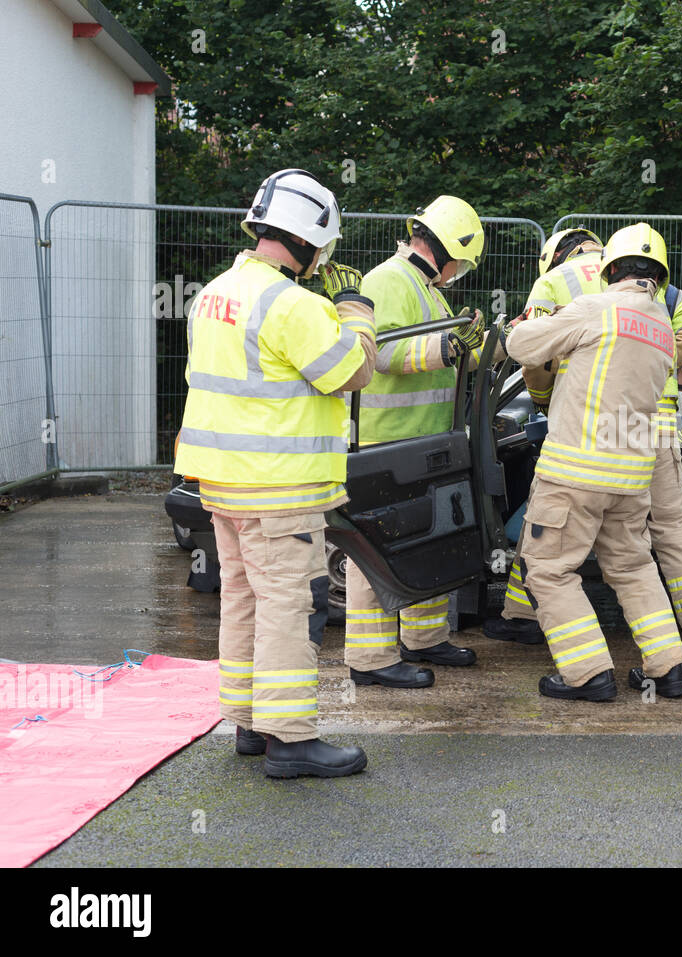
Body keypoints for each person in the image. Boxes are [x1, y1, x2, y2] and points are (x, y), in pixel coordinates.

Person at [174, 168, 375, 778]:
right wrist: (356, 310)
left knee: (243, 598)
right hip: (279, 488)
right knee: (290, 603)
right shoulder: (293, 304)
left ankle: (249, 724)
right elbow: (353, 371)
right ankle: (290, 740)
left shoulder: (212, 293)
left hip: (222, 484)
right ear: (310, 238)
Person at [487, 227, 682, 657]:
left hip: (582, 451)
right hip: (648, 440)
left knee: (548, 557)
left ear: (610, 269)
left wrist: (546, 397)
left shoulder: (569, 292)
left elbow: (530, 354)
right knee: (663, 538)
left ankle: (555, 644)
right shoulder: (663, 318)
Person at [344, 196, 487, 688]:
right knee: (376, 555)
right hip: (388, 443)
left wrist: (467, 348)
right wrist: (448, 348)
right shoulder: (389, 279)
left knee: (426, 543)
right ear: (450, 249)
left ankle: (424, 640)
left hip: (422, 440)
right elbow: (379, 353)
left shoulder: (424, 287)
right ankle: (370, 660)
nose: (459, 272)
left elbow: (430, 350)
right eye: (462, 262)